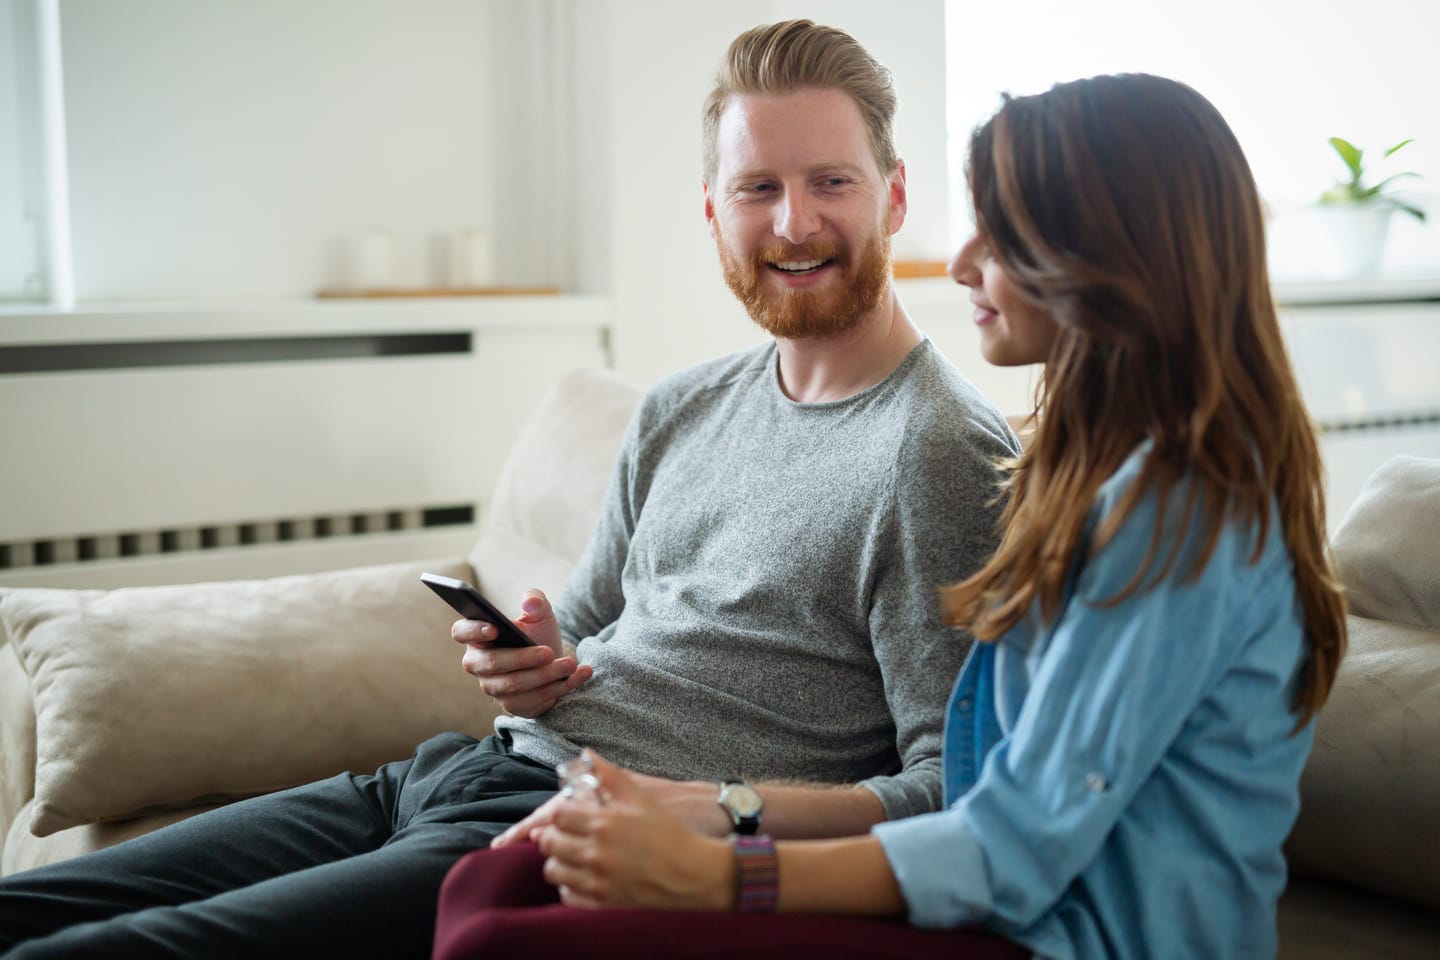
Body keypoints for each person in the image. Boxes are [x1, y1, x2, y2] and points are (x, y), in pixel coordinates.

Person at [0, 19, 1017, 960]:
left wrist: (720, 812)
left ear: (893, 196)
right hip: (448, 769)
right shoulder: (681, 408)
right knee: (33, 907)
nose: (794, 222)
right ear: (713, 212)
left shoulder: (936, 453)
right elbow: (584, 626)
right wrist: (531, 659)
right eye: (758, 188)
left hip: (558, 832)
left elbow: (954, 786)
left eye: (831, 181)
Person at [428, 73, 1349, 960]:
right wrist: (711, 807)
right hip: (984, 898)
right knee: (486, 890)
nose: (961, 263)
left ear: (1118, 259)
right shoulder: (1094, 477)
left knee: (496, 929)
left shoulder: (1181, 520)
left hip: (1057, 936)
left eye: (1005, 237)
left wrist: (722, 865)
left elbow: (1005, 841)